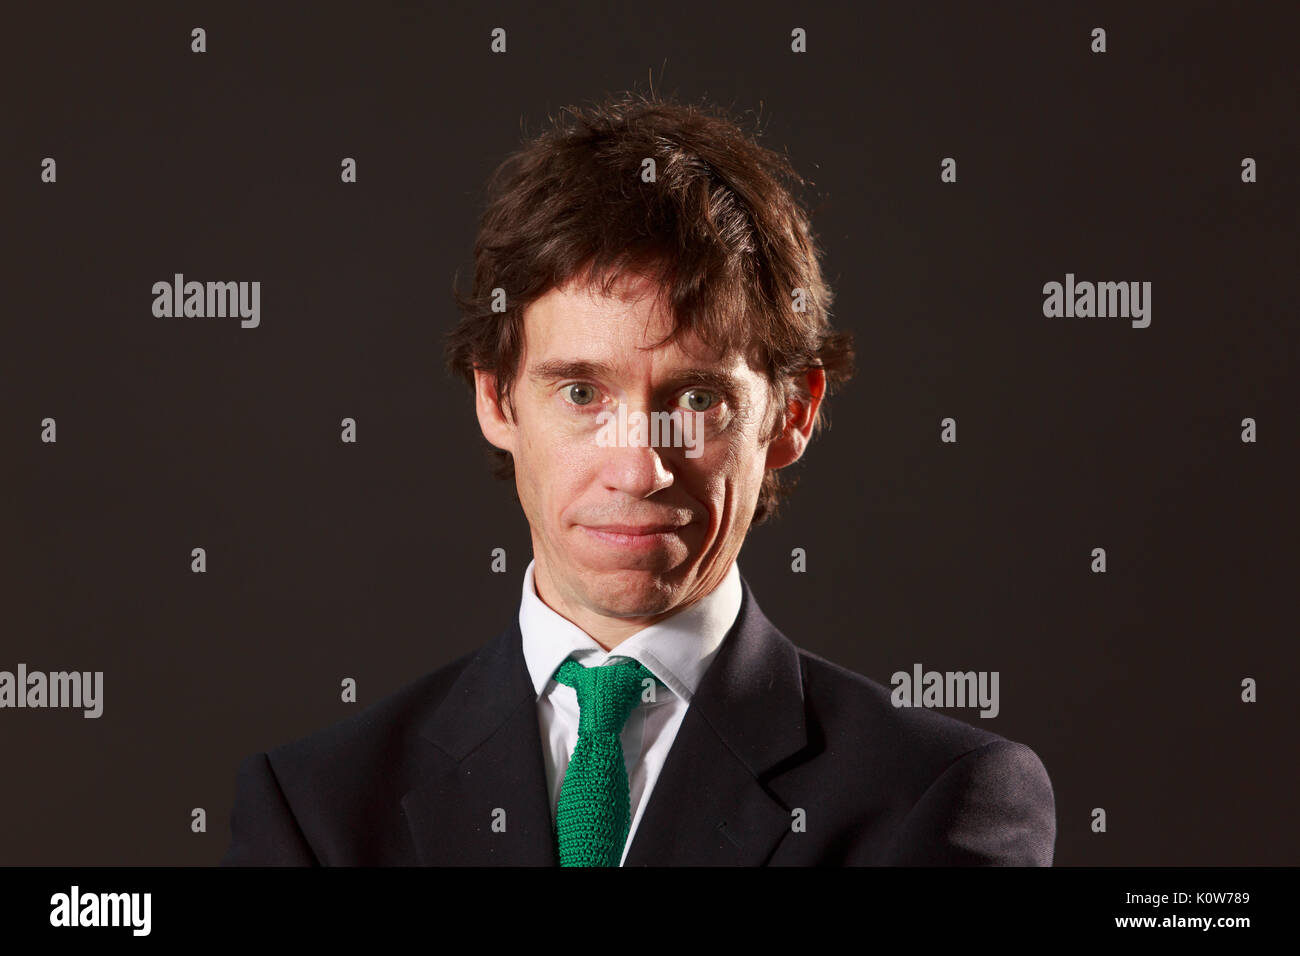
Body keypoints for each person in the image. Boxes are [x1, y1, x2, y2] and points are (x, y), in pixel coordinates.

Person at [221, 91, 1056, 866]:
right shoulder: (314, 810)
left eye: (695, 399)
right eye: (582, 391)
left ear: (792, 415)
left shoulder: (939, 798)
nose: (638, 467)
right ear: (495, 396)